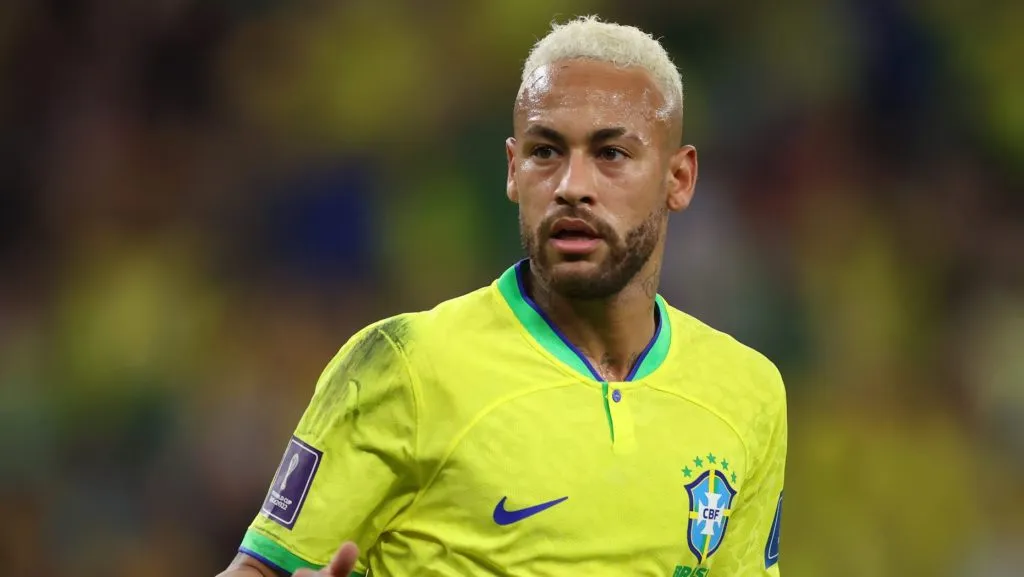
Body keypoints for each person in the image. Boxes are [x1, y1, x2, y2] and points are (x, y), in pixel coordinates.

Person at [219, 15, 787, 577]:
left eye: (611, 154)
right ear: (513, 170)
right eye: (546, 152)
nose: (572, 186)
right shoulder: (406, 365)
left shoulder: (747, 395)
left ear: (678, 179)